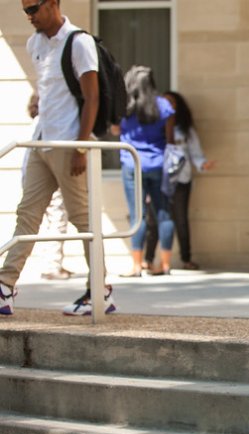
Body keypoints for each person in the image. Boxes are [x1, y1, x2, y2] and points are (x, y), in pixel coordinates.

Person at [1, 0, 114, 316]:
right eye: (25, 10)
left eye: (34, 8)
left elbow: (91, 97)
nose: (29, 16)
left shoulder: (79, 42)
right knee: (27, 213)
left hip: (69, 143)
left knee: (83, 219)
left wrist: (81, 147)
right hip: (41, 141)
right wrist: (36, 99)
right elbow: (49, 87)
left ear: (53, 4)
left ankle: (99, 291)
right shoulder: (34, 42)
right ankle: (4, 285)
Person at [142, 91, 215, 271]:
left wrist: (204, 165)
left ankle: (185, 259)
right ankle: (148, 259)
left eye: (171, 103)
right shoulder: (154, 127)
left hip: (181, 178)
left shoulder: (185, 130)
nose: (168, 107)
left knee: (180, 219)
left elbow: (196, 154)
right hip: (159, 179)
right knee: (154, 219)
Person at [118, 65, 175, 277]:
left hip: (132, 163)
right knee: (164, 213)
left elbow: (115, 129)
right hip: (158, 163)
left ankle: (136, 265)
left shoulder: (125, 107)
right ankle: (165, 264)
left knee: (137, 215)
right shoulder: (163, 106)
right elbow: (170, 139)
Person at [23, 92, 73, 281]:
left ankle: (50, 264)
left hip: (33, 179)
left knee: (44, 222)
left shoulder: (33, 125)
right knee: (57, 219)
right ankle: (53, 266)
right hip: (48, 179)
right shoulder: (46, 125)